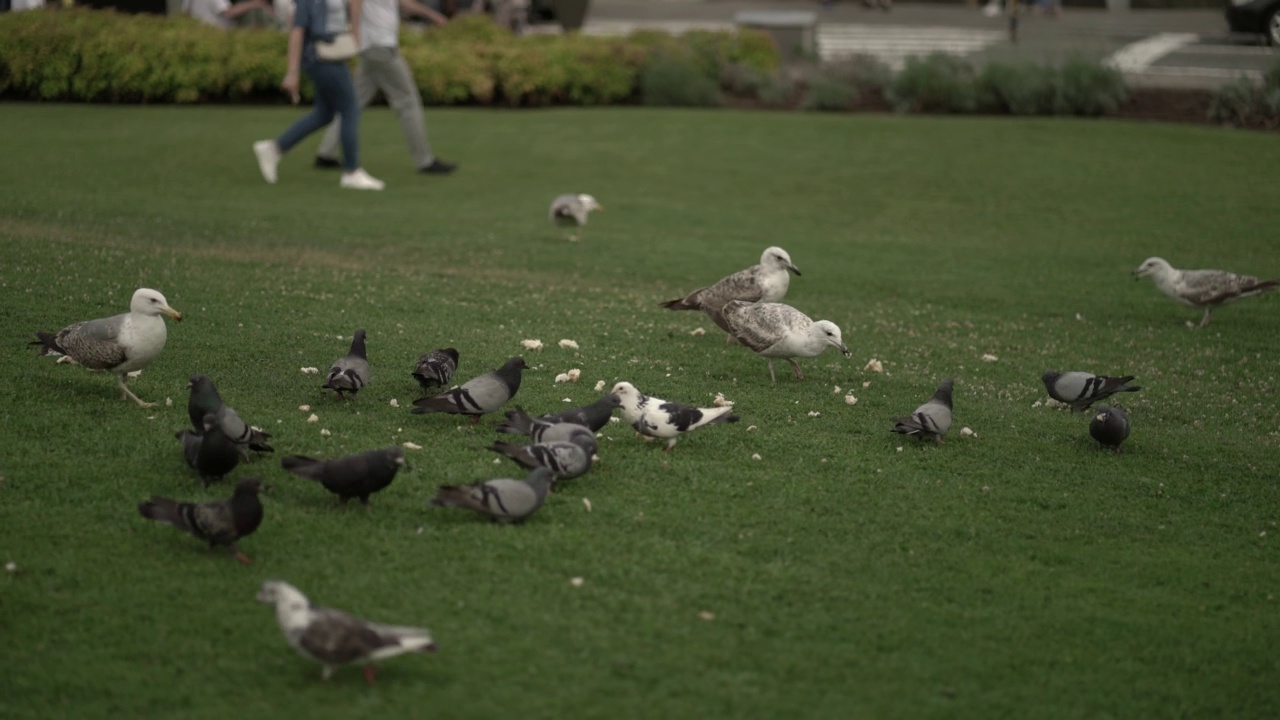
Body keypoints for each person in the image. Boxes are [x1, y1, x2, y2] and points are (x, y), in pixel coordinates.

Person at [313, 0, 457, 175]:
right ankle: (425, 160)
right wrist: (355, 36)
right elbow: (355, 3)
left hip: (375, 47)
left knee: (353, 103)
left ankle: (326, 153)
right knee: (408, 101)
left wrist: (431, 14)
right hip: (379, 47)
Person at [253, 0, 385, 190]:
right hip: (323, 57)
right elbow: (297, 31)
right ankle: (351, 171)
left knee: (324, 113)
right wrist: (292, 72)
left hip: (332, 54)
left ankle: (274, 148)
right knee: (350, 109)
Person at [184, 0, 272, 29]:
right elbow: (230, 12)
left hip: (199, 33)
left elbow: (185, 13)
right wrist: (254, 3)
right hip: (218, 36)